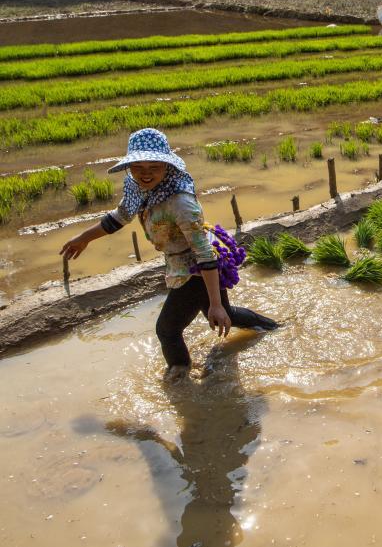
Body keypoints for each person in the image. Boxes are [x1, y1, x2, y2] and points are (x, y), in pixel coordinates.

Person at [60, 128, 277, 380]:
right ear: (129, 167)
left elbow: (205, 254)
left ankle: (179, 371)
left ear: (167, 165)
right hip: (181, 260)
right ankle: (271, 327)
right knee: (219, 315)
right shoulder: (137, 186)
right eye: (138, 167)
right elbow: (120, 217)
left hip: (195, 268)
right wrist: (83, 238)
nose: (146, 173)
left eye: (154, 166)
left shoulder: (180, 202)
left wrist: (216, 304)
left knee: (167, 330)